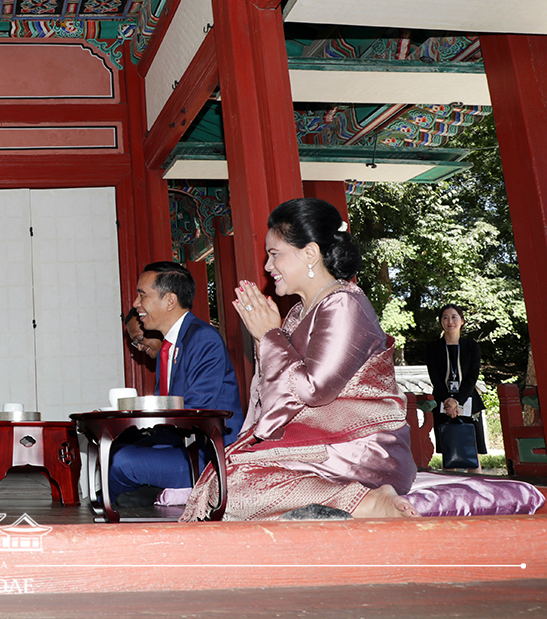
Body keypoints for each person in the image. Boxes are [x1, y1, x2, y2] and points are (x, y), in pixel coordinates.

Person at [183, 197, 418, 522]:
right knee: (222, 482)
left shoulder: (344, 303)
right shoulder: (296, 313)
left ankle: (364, 502)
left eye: (275, 254)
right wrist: (266, 338)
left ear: (310, 253)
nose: (267, 267)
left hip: (359, 447)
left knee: (232, 488)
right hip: (321, 444)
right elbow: (276, 394)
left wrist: (270, 336)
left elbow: (314, 390)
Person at [108, 262, 244, 507]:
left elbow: (196, 410)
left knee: (121, 461)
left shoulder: (203, 338)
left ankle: (110, 507)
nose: (136, 304)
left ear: (170, 301)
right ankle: (151, 496)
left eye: (142, 295)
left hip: (206, 454)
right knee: (114, 449)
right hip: (181, 443)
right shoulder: (169, 346)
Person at [427, 304, 486, 472]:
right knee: (449, 452)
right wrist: (448, 401)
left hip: (469, 401)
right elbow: (435, 377)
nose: (450, 321)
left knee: (472, 454)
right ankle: (451, 494)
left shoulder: (471, 346)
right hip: (442, 403)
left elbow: (472, 377)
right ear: (441, 323)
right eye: (445, 317)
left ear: (462, 321)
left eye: (454, 317)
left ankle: (477, 492)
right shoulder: (433, 348)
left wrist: (457, 401)